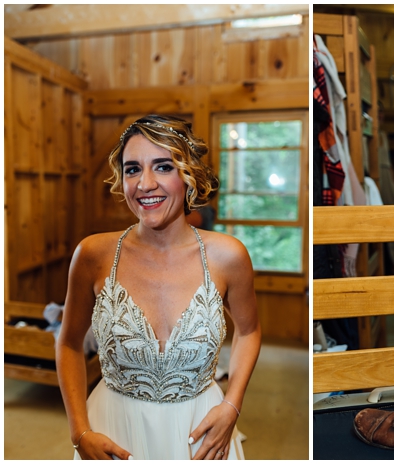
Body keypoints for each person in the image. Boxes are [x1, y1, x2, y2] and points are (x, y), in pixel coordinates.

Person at [56, 115, 261, 460]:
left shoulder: (228, 256)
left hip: (200, 430)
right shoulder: (93, 254)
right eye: (133, 169)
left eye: (163, 167)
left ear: (188, 175)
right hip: (114, 429)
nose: (145, 184)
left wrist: (232, 404)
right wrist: (80, 431)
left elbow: (250, 330)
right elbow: (69, 344)